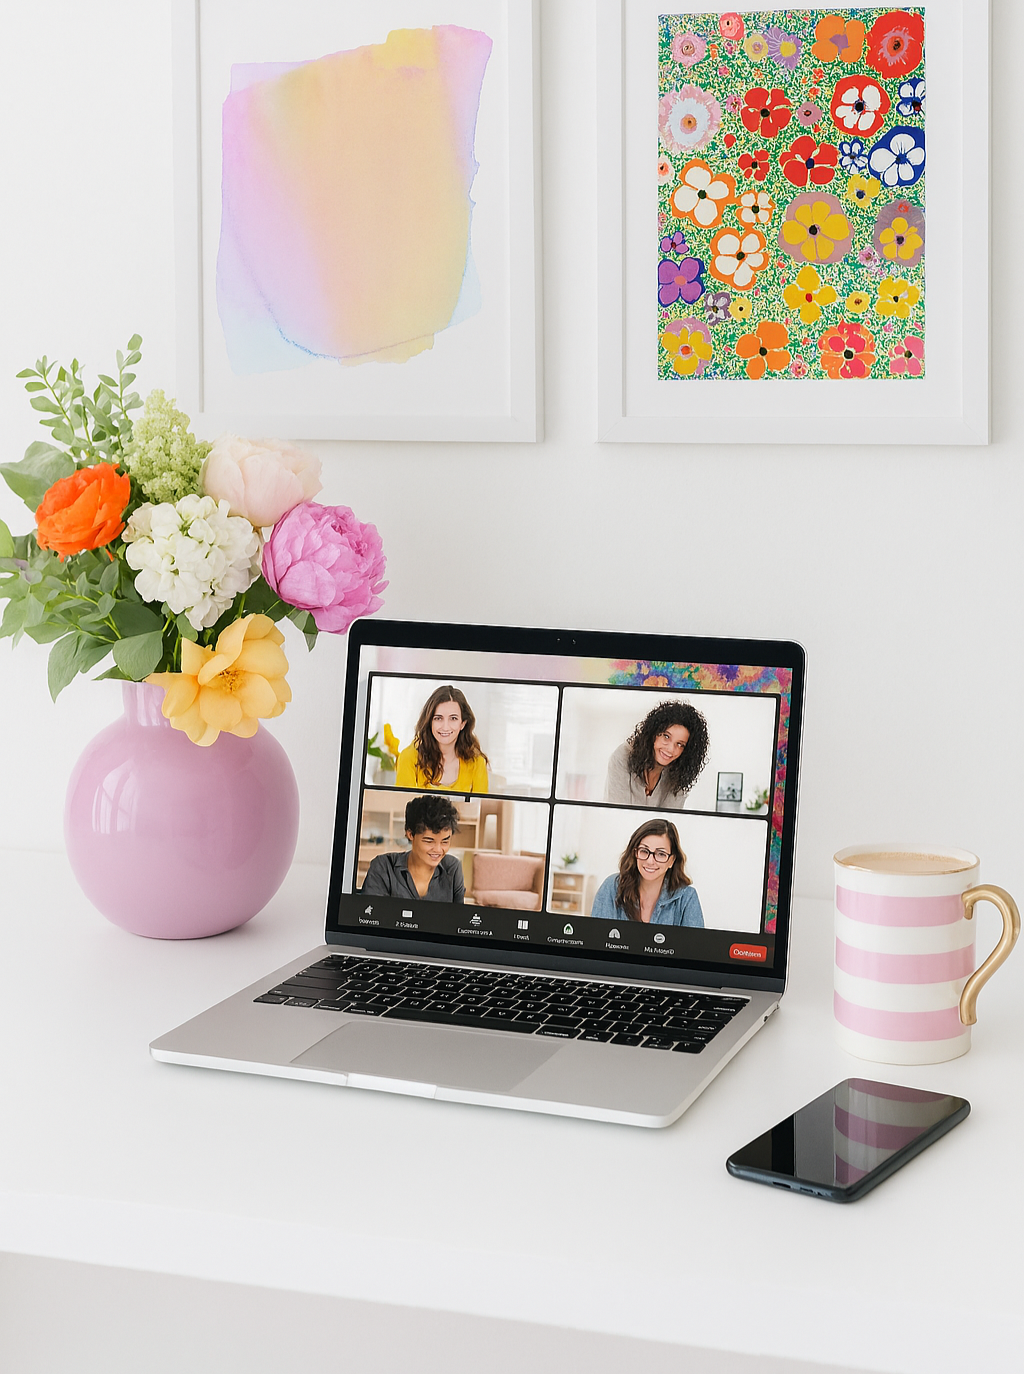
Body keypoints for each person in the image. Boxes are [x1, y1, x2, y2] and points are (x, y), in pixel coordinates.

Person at [589, 819, 704, 926]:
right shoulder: (612, 887)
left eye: (661, 854)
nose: (650, 861)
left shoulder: (687, 898)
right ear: (635, 853)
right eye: (644, 851)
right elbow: (596, 939)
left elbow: (696, 947)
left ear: (671, 861)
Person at [603, 700, 708, 809]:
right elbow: (618, 812)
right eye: (666, 736)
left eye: (680, 744)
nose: (671, 749)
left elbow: (668, 820)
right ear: (654, 733)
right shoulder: (623, 756)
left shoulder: (679, 774)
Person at [361, 794, 465, 902]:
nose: (438, 850)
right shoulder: (384, 866)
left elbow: (459, 916)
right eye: (429, 841)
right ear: (410, 834)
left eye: (445, 841)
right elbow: (370, 915)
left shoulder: (452, 868)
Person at [395, 685, 490, 793]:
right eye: (438, 718)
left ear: (463, 723)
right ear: (430, 721)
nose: (445, 727)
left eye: (453, 718)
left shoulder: (477, 762)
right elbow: (404, 807)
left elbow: (480, 808)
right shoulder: (408, 758)